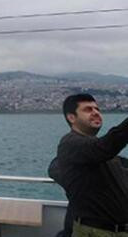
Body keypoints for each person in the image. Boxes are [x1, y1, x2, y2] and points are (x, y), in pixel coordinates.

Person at [53, 93, 128, 236]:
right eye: (88, 109)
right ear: (71, 118)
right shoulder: (70, 143)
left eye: (97, 109)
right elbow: (105, 146)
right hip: (96, 232)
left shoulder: (101, 153)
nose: (96, 112)